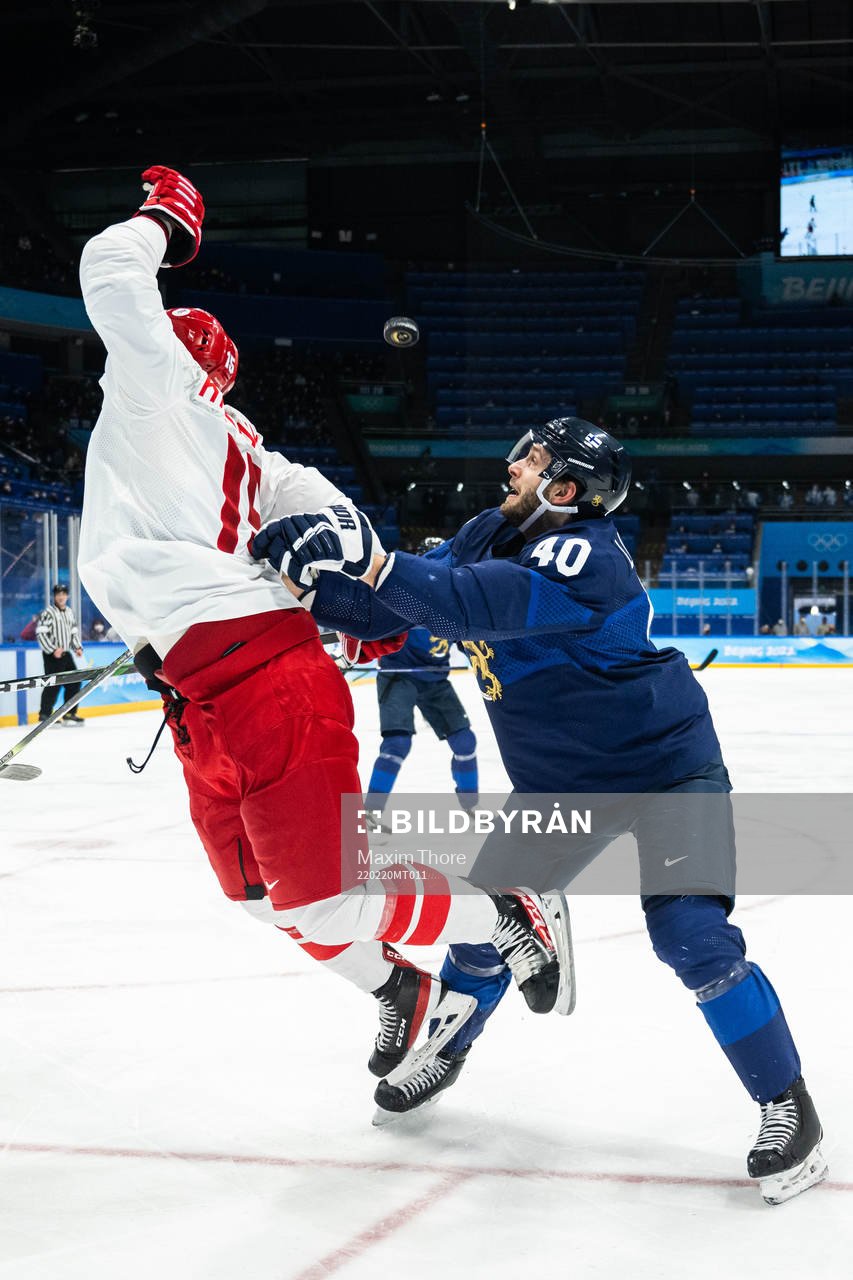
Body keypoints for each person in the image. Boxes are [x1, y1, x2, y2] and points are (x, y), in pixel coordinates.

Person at [76, 165, 569, 1091]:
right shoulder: (255, 457)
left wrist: (165, 217)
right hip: (202, 699)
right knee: (262, 897)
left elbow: (109, 266)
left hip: (264, 685)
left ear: (187, 362)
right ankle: (399, 990)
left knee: (328, 896)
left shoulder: (157, 390)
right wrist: (355, 606)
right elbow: (348, 534)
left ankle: (502, 907)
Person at [255, 417, 826, 1205]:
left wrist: (376, 559)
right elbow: (391, 617)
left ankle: (787, 1108)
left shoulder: (584, 555)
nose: (514, 463)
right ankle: (447, 1047)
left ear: (566, 489)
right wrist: (305, 585)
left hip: (665, 772)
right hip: (557, 792)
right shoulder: (488, 528)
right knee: (484, 920)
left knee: (691, 936)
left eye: (534, 458)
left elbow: (461, 607)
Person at [359, 536, 478, 827]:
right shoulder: (400, 593)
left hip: (436, 679)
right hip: (400, 677)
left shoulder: (456, 597)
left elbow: (469, 641)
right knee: (397, 744)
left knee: (465, 742)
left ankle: (471, 806)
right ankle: (370, 813)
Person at [35, 583, 85, 724]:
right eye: (58, 594)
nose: (61, 596)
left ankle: (69, 714)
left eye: (63, 594)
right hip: (52, 655)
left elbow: (73, 632)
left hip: (66, 654)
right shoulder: (48, 612)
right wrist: (52, 649)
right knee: (53, 684)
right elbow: (41, 634)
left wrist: (77, 647)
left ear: (67, 596)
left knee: (75, 682)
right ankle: (44, 715)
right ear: (54, 596)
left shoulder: (69, 611)